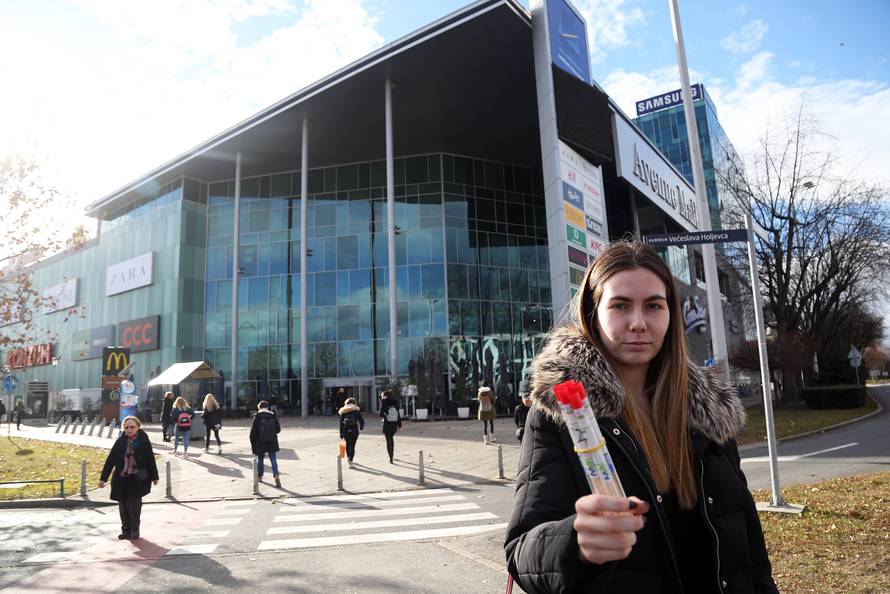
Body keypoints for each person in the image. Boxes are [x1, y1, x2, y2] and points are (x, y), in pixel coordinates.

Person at [505, 241, 777, 594]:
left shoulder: (710, 412)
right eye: (620, 305)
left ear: (670, 314)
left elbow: (749, 549)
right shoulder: (561, 417)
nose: (637, 323)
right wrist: (573, 542)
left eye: (653, 306)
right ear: (593, 313)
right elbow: (522, 550)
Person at [98, 416, 159, 540]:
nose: (129, 429)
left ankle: (135, 530)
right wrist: (103, 478)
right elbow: (111, 460)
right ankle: (126, 530)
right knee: (123, 505)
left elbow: (150, 459)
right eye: (126, 427)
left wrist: (154, 476)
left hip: (137, 478)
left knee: (133, 504)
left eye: (132, 427)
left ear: (138, 427)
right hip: (121, 478)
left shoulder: (143, 440)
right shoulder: (120, 441)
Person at [250, 400, 282, 487]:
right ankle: (276, 476)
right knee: (273, 459)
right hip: (272, 441)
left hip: (260, 442)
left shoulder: (257, 416)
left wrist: (253, 444)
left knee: (260, 460)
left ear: (259, 407)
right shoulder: (273, 415)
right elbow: (278, 430)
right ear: (267, 407)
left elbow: (252, 433)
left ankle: (260, 476)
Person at [338, 397, 365, 468]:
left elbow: (341, 423)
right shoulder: (356, 410)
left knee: (347, 444)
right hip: (354, 430)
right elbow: (361, 421)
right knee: (352, 446)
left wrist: (341, 433)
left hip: (346, 430)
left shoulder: (343, 411)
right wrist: (361, 427)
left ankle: (348, 458)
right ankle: (351, 461)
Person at [378, 390, 401, 464]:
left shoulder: (384, 401)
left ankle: (390, 457)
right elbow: (398, 414)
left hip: (387, 424)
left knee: (388, 440)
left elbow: (381, 414)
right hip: (394, 424)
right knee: (391, 438)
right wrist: (399, 425)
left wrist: (386, 415)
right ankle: (392, 455)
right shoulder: (396, 402)